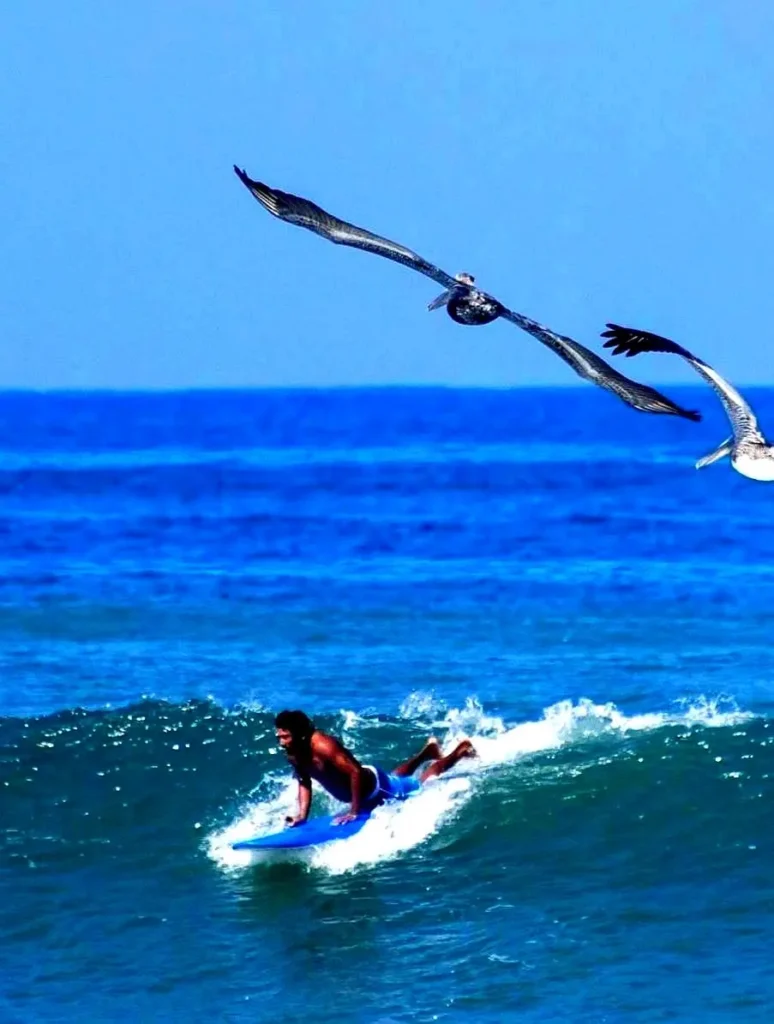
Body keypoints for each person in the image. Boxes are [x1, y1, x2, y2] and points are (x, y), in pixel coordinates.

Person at [274, 709, 476, 826]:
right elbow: (304, 781)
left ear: (300, 734)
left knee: (420, 783)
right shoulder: (293, 753)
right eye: (279, 737)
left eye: (286, 737)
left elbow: (355, 771)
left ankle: (460, 750)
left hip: (374, 790)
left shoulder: (324, 746)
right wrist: (302, 816)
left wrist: (354, 811)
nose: (281, 742)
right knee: (396, 780)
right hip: (373, 787)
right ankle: (427, 752)